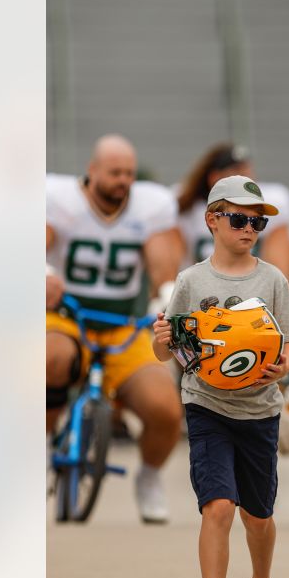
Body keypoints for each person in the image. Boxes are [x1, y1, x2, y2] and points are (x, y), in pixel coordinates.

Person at [152, 175, 289, 578]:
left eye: (256, 221)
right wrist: (161, 344)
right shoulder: (192, 281)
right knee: (217, 507)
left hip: (260, 410)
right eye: (239, 218)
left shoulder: (272, 279)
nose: (249, 228)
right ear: (212, 220)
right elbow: (170, 350)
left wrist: (282, 368)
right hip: (207, 406)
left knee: (257, 516)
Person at [46, 134, 183, 524]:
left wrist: (166, 290)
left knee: (165, 409)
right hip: (68, 317)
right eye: (114, 172)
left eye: (128, 172)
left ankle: (150, 476)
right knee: (51, 358)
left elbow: (160, 255)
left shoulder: (149, 206)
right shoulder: (61, 200)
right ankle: (39, 446)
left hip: (123, 325)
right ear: (92, 171)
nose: (123, 180)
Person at [173, 143, 289, 280]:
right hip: (201, 290)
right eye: (238, 220)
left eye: (257, 221)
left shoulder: (271, 200)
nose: (247, 176)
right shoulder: (186, 207)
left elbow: (282, 261)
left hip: (255, 289)